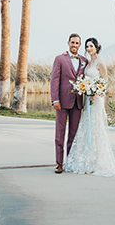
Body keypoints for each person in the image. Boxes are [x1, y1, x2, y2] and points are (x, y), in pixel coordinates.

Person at [64, 37, 115, 177]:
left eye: (91, 46)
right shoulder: (87, 63)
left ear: (96, 47)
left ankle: (97, 161)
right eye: (87, 46)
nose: (89, 49)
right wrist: (85, 89)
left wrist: (97, 92)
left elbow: (105, 80)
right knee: (86, 125)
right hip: (87, 98)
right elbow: (84, 79)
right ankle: (86, 160)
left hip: (96, 99)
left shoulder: (100, 62)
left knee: (96, 126)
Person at [50, 33, 88, 174]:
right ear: (68, 43)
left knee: (73, 135)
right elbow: (54, 80)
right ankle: (59, 163)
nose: (74, 45)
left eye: (77, 43)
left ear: (79, 45)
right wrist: (55, 100)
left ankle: (70, 163)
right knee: (59, 134)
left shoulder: (84, 61)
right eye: (72, 42)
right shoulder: (60, 59)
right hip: (62, 102)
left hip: (78, 103)